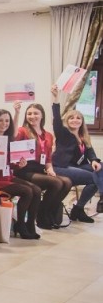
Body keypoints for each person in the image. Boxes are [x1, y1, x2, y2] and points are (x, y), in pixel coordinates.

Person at [0, 108, 41, 239]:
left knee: (36, 189)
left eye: (7, 120)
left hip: (7, 177)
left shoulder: (10, 140)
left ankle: (30, 224)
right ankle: (20, 224)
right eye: (0, 120)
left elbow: (10, 164)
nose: (4, 123)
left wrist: (19, 164)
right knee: (27, 191)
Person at [14, 102, 72, 229]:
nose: (32, 116)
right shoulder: (22, 131)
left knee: (66, 182)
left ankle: (46, 212)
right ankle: (42, 216)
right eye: (29, 114)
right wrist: (17, 113)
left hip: (40, 170)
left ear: (42, 116)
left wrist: (50, 170)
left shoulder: (48, 135)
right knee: (56, 183)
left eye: (36, 113)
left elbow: (48, 158)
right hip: (24, 170)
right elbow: (13, 136)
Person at [51, 85, 102, 222]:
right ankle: (80, 209)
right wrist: (56, 99)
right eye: (71, 118)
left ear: (82, 121)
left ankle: (78, 209)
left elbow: (91, 152)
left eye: (78, 118)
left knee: (100, 168)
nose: (75, 120)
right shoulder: (64, 134)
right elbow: (56, 121)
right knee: (94, 178)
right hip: (61, 167)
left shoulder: (83, 137)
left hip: (75, 167)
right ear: (67, 121)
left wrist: (94, 161)